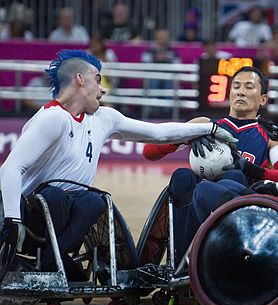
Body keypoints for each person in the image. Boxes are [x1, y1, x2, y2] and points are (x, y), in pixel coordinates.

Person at [0, 49, 236, 281]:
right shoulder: (52, 117)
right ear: (80, 79)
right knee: (55, 195)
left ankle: (54, 259)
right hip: (30, 214)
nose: (103, 89)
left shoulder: (105, 118)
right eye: (98, 79)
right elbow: (10, 168)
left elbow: (157, 132)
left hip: (69, 209)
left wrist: (210, 128)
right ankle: (53, 259)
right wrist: (12, 221)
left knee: (94, 200)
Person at [143, 66, 278, 265]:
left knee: (234, 176)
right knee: (182, 176)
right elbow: (149, 152)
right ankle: (183, 264)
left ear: (263, 99)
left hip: (243, 209)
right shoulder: (205, 124)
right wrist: (188, 136)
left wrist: (252, 169)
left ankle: (208, 259)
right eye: (236, 86)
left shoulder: (269, 137)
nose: (241, 91)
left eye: (249, 87)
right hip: (198, 203)